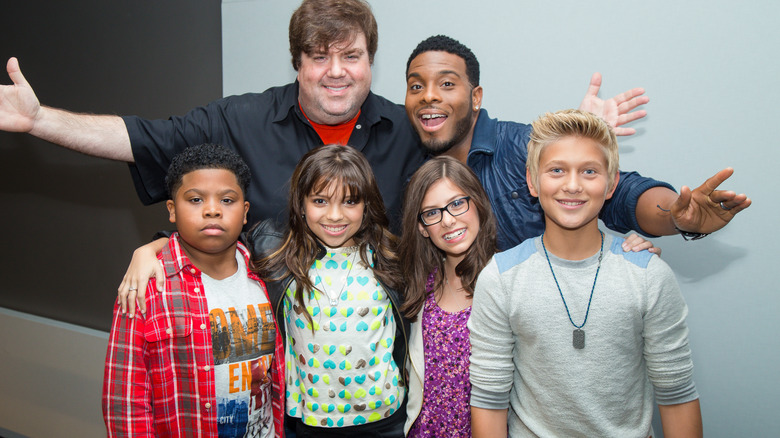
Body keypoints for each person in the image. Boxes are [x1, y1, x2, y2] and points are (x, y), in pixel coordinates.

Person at [469, 110, 702, 437]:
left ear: (611, 184)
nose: (573, 185)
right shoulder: (501, 278)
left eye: (590, 171)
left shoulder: (649, 275)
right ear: (533, 182)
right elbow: (489, 400)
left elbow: (676, 394)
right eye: (557, 170)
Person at [405, 35, 751, 251]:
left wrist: (677, 217)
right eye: (416, 86)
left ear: (475, 96)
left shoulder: (519, 146)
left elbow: (620, 195)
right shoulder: (413, 171)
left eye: (447, 84)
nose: (429, 96)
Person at [102, 144, 285, 437]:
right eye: (196, 199)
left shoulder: (267, 274)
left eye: (227, 200)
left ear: (245, 211)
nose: (212, 210)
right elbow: (126, 402)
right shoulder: (146, 286)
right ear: (172, 210)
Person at [251, 145, 408, 437]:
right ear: (301, 203)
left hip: (385, 419)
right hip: (312, 423)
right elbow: (213, 244)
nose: (335, 216)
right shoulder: (276, 253)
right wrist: (155, 247)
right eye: (320, 201)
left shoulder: (390, 258)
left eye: (349, 202)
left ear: (366, 206)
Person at [398, 156, 497, 437]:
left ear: (477, 202)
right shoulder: (419, 286)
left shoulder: (508, 280)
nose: (448, 220)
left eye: (456, 204)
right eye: (432, 213)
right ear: (421, 227)